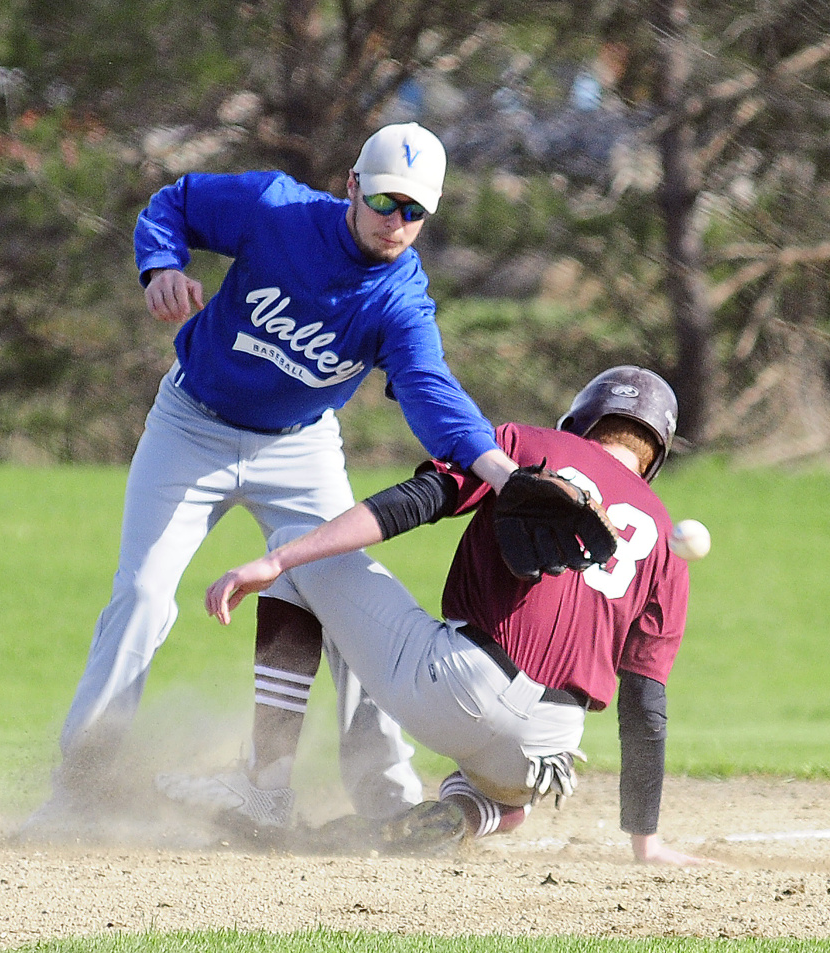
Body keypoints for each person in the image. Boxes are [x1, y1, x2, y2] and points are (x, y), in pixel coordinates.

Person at [29, 122, 523, 833]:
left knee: (357, 611)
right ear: (351, 185)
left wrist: (500, 471)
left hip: (299, 449)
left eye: (415, 211)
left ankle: (386, 796)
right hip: (189, 425)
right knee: (140, 597)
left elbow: (429, 389)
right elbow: (174, 204)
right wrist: (161, 265)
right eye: (385, 201)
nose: (397, 222)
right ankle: (76, 791)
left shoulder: (398, 300)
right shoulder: (275, 209)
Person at [204, 366, 711, 865]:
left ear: (579, 421)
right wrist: (646, 841)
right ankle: (461, 816)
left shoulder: (525, 444)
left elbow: (416, 501)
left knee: (293, 548)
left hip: (458, 686)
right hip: (548, 742)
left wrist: (279, 560)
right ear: (654, 460)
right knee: (511, 798)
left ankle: (264, 794)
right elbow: (646, 703)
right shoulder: (664, 544)